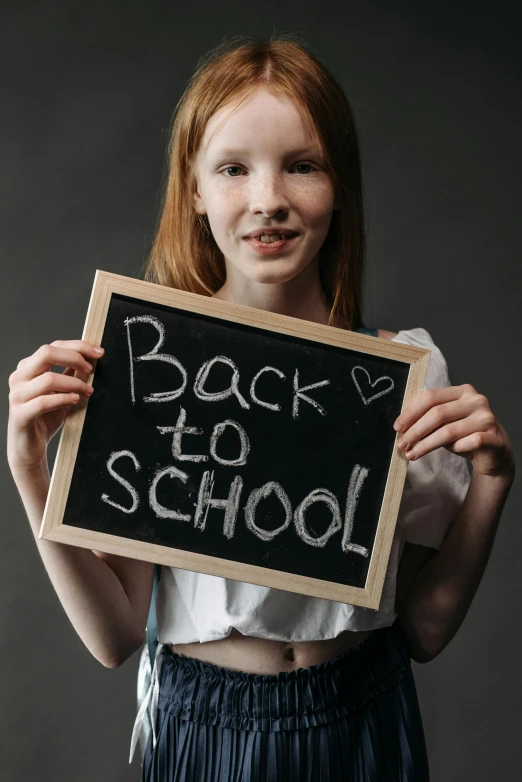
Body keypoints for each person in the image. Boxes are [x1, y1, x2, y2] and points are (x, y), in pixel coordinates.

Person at [7, 34, 515, 782]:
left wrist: (492, 485)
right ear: (194, 190)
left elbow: (427, 627)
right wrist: (27, 468)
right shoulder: (155, 366)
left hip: (363, 714)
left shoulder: (399, 374)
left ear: (339, 184)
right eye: (234, 169)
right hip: (207, 729)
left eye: (301, 166)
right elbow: (113, 636)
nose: (268, 199)